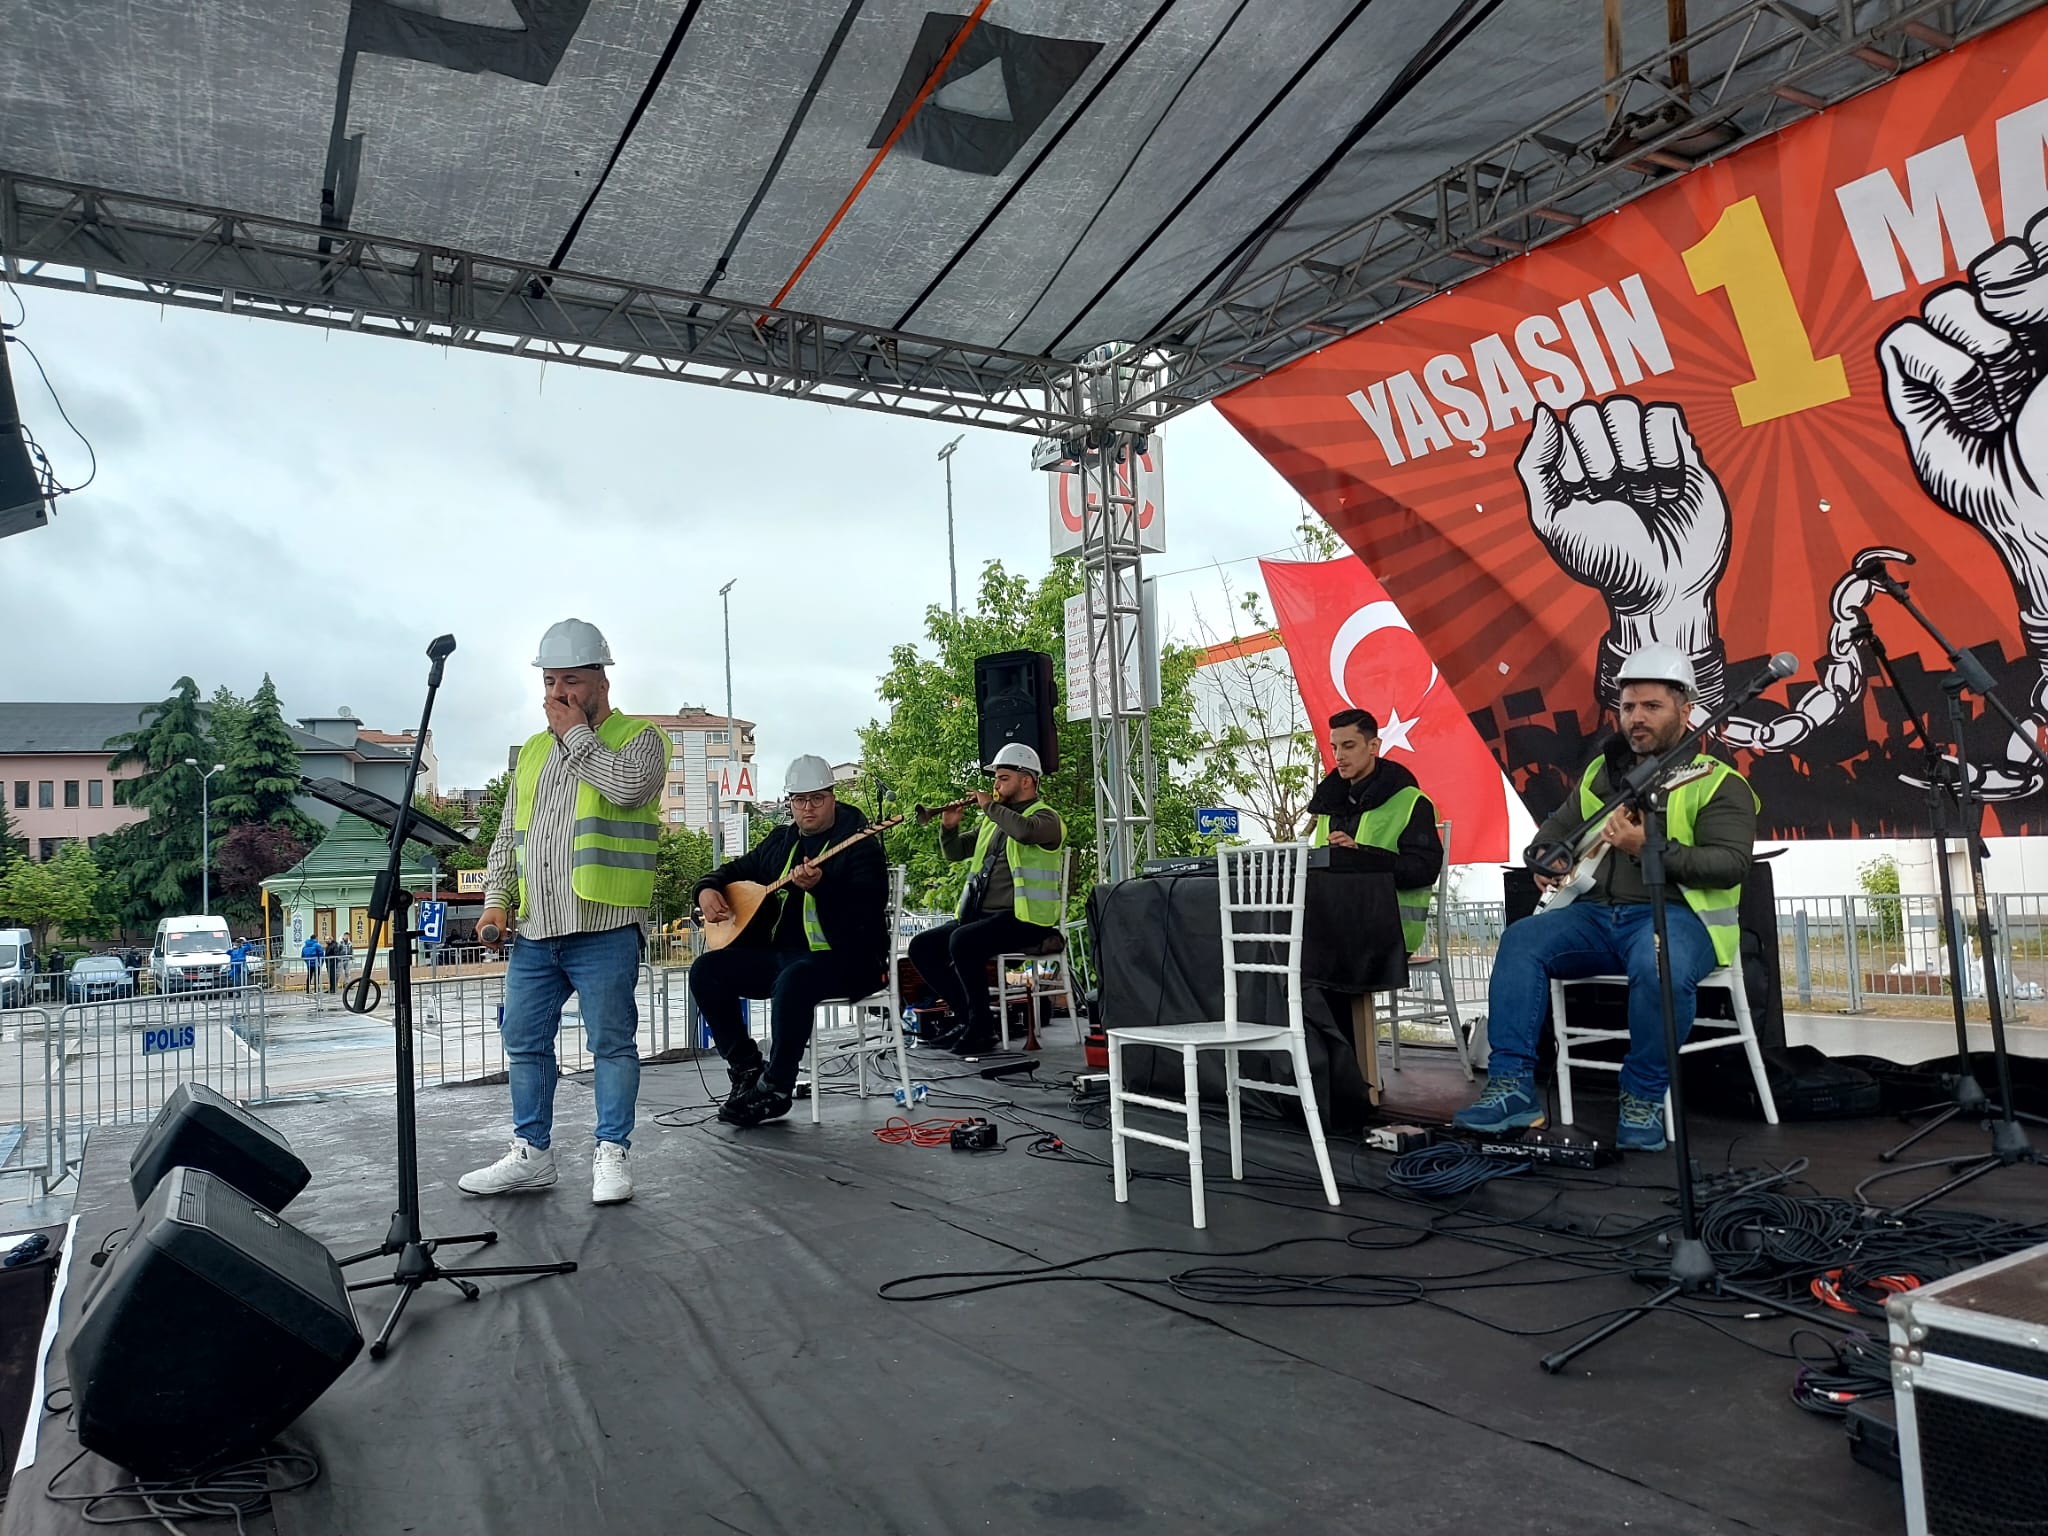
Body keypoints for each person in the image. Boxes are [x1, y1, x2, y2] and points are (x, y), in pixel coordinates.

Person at [1452, 644, 1757, 1152]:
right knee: (1522, 941)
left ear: (1686, 711)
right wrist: (1547, 860)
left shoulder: (1719, 783)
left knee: (1657, 962)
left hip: (1680, 918)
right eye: (1629, 706)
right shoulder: (1602, 775)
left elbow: (1729, 864)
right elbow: (1554, 832)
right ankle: (1511, 1088)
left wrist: (1647, 848)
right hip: (1596, 916)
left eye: (1652, 706)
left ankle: (1642, 1095)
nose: (1636, 718)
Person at [459, 618, 664, 1205]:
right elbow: (509, 835)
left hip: (605, 925)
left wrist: (576, 735)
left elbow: (628, 789)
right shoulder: (531, 752)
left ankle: (613, 1151)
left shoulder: (641, 738)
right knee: (523, 1041)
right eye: (550, 682)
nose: (558, 694)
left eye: (571, 681)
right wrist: (496, 900)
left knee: (611, 1043)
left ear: (602, 680)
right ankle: (532, 1153)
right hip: (536, 930)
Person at [689, 755, 889, 1128]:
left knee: (796, 978)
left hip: (848, 960)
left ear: (833, 798)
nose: (807, 808)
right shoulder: (781, 842)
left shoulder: (860, 843)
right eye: (799, 800)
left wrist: (823, 887)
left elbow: (868, 909)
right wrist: (706, 889)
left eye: (816, 799)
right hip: (784, 956)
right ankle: (747, 1067)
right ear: (790, 802)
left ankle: (777, 1087)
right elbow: (733, 870)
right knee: (706, 970)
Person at [909, 742, 1066, 1057]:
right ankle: (970, 1020)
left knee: (963, 941)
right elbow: (956, 852)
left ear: (1027, 780)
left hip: (1026, 918)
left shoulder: (1047, 818)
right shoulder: (993, 821)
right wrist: (949, 829)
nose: (996, 785)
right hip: (984, 917)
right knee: (922, 947)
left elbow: (1024, 832)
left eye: (1004, 778)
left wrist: (989, 807)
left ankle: (980, 1027)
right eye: (996, 779)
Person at [1303, 709, 1444, 955]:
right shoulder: (1328, 803)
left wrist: (1360, 855)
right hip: (1336, 928)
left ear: (1373, 746)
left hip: (1390, 933)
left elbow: (1424, 870)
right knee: (1274, 950)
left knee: (1300, 962)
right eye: (1334, 747)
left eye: (1348, 746)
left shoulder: (1411, 801)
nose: (1339, 756)